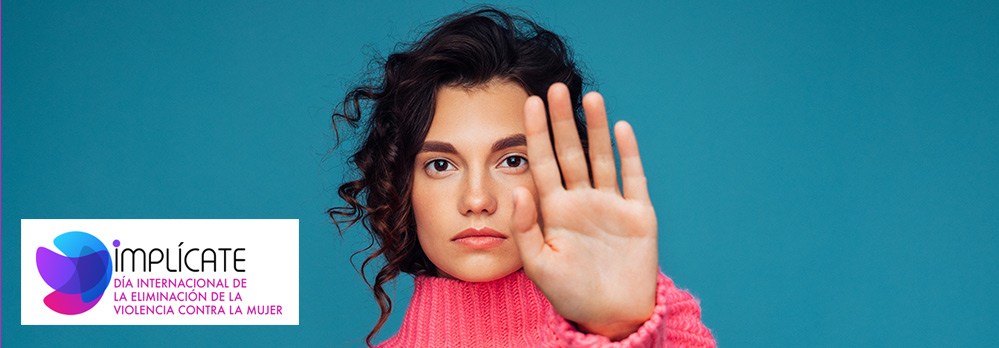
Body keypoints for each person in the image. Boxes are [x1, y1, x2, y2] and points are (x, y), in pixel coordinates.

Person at [329, 7, 716, 348]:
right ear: (402, 186)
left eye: (513, 161)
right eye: (441, 165)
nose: (477, 200)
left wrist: (618, 333)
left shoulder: (651, 326)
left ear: (558, 172)